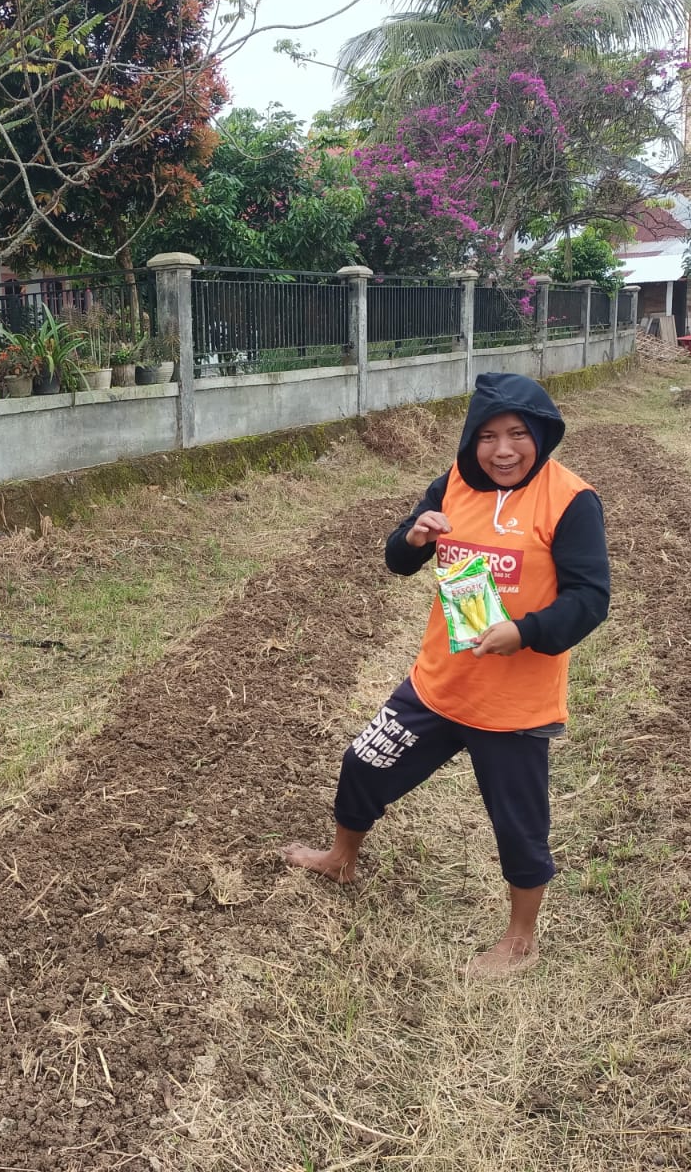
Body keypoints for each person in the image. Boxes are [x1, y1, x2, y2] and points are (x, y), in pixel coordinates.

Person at [283, 372, 610, 978]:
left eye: (517, 434)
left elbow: (591, 598)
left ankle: (519, 940)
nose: (503, 450)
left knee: (518, 827)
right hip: (437, 684)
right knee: (362, 763)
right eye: (487, 436)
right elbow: (398, 557)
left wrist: (524, 631)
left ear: (541, 434)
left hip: (514, 703)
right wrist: (412, 538)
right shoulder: (453, 484)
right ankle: (341, 857)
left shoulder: (570, 501)